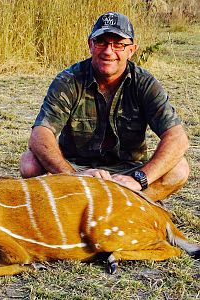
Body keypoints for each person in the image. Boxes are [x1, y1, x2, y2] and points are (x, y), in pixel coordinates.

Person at [19, 12, 189, 201]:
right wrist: (71, 174)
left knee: (179, 169)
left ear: (131, 50)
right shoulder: (69, 80)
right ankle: (75, 205)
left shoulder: (145, 83)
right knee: (29, 163)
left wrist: (139, 179)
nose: (108, 51)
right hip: (77, 170)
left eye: (118, 45)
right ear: (91, 45)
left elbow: (177, 138)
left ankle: (132, 207)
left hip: (128, 172)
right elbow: (39, 135)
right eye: (102, 42)